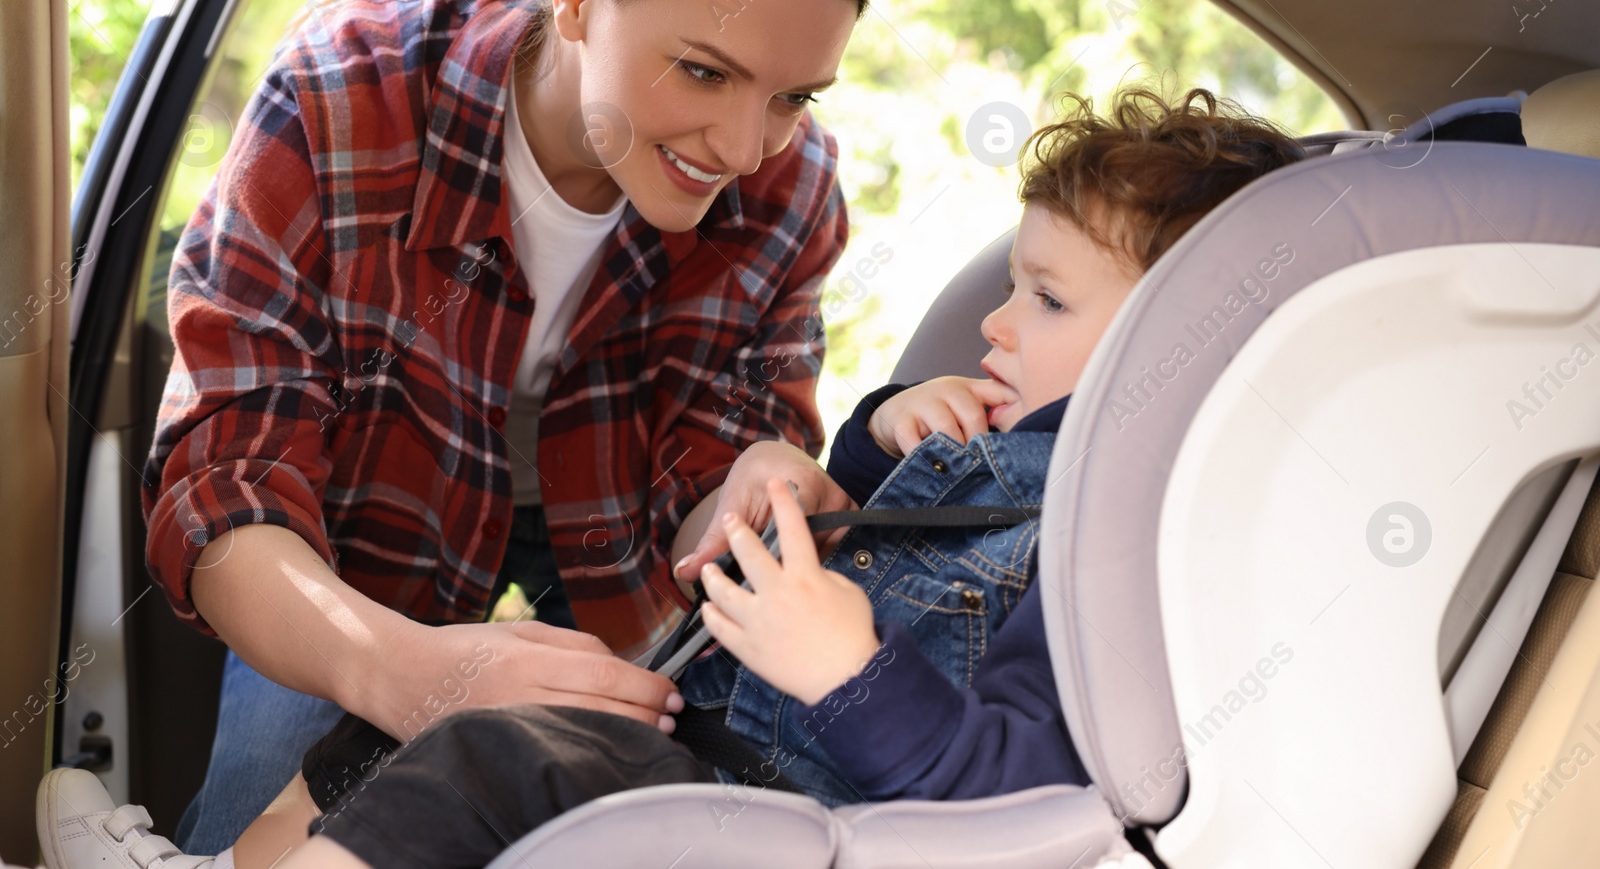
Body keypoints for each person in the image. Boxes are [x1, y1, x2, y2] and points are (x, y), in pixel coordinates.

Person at [39, 87, 1309, 869]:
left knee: (491, 756)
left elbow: (1021, 784)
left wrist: (850, 672)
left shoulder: (1112, 541)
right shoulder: (990, 443)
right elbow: (865, 528)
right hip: (699, 726)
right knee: (454, 688)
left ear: (1179, 339)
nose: (994, 325)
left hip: (777, 795)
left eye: (1043, 300)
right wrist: (870, 441)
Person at [130, 0, 873, 855]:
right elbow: (225, 479)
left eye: (792, 95)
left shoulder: (791, 186)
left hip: (618, 529)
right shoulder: (346, 95)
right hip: (360, 530)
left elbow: (717, 446)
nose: (747, 146)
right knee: (259, 823)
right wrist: (398, 669)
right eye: (704, 71)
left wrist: (752, 474)